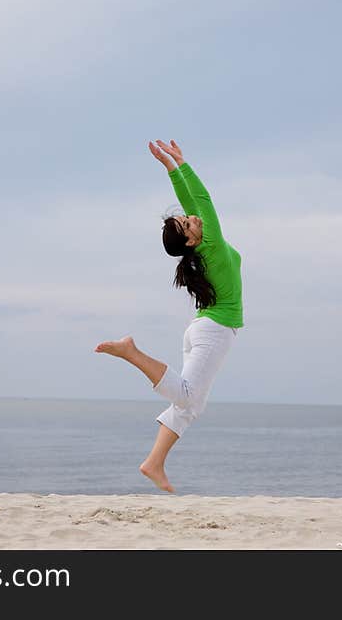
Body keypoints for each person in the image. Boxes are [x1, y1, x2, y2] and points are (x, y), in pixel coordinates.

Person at [94, 139, 244, 493]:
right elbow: (203, 199)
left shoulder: (200, 247)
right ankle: (133, 353)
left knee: (190, 404)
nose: (192, 217)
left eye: (185, 217)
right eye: (188, 223)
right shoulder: (213, 245)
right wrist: (180, 167)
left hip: (202, 329)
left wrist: (172, 167)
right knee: (189, 398)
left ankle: (154, 463)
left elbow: (194, 203)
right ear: (192, 241)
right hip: (215, 330)